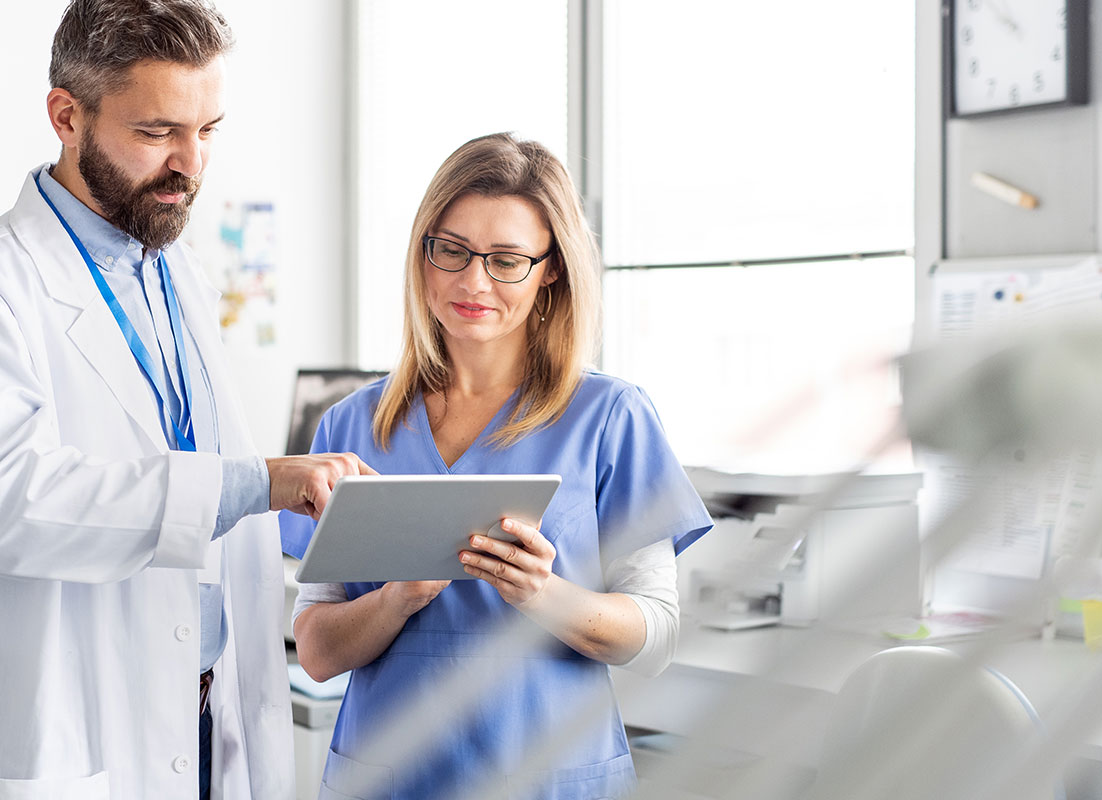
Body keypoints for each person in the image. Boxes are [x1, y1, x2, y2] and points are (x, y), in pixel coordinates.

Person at [0, 2, 374, 798]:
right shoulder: (12, 282)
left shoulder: (179, 275)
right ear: (67, 116)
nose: (191, 164)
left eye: (208, 130)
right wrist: (255, 483)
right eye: (158, 131)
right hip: (94, 731)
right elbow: (14, 497)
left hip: (208, 725)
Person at [282, 132, 713, 800]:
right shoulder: (349, 426)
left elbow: (653, 636)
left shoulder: (612, 417)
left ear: (551, 271)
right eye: (450, 250)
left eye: (507, 260)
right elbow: (314, 648)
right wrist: (397, 599)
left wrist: (543, 593)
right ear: (422, 254)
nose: (472, 281)